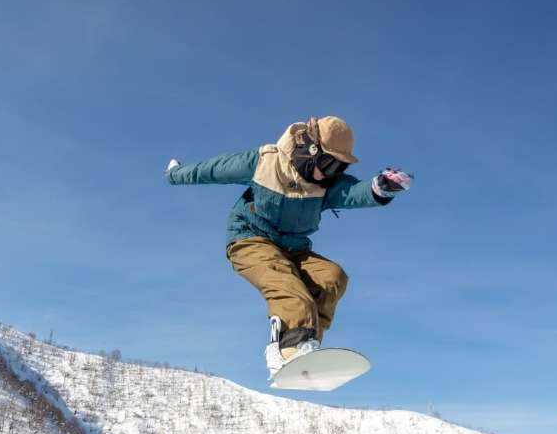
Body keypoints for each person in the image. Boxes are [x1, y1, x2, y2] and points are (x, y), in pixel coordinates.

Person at [166, 117, 412, 376]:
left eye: (340, 168)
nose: (331, 175)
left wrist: (381, 188)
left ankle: (305, 344)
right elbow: (212, 170)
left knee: (332, 277)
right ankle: (286, 349)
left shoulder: (326, 185)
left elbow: (355, 193)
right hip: (250, 238)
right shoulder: (264, 163)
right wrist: (174, 174)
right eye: (329, 164)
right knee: (289, 287)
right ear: (309, 149)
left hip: (294, 248)